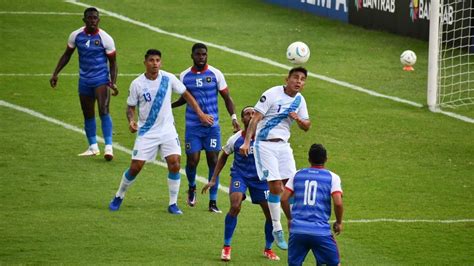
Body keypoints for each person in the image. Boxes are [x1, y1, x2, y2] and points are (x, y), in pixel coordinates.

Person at [108, 49, 213, 214]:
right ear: (145, 62)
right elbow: (130, 107)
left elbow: (186, 94)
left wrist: (200, 114)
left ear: (160, 63)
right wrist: (131, 121)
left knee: (175, 163)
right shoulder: (137, 84)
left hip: (167, 130)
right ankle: (119, 196)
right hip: (147, 132)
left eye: (157, 60)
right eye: (151, 60)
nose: (155, 63)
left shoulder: (168, 78)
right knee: (135, 167)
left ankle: (173, 204)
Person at [240, 67, 311, 250]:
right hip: (264, 145)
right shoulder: (271, 93)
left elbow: (306, 125)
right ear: (287, 78)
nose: (298, 81)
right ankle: (277, 228)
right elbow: (255, 119)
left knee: (290, 187)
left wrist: (300, 120)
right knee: (276, 186)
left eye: (302, 79)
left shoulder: (299, 100)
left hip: (283, 146)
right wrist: (247, 142)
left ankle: (292, 221)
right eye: (295, 77)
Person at [202, 106, 280, 262]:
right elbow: (223, 155)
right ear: (243, 119)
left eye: (253, 113)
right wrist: (213, 179)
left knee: (271, 215)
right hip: (240, 175)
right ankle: (226, 247)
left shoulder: (267, 137)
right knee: (235, 205)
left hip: (261, 179)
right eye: (247, 114)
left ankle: (268, 249)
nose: (251, 116)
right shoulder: (235, 139)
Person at [172, 43, 240, 213]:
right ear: (192, 56)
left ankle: (213, 201)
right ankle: (192, 187)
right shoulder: (185, 75)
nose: (201, 57)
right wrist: (169, 105)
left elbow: (227, 97)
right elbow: (184, 99)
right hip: (193, 126)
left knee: (213, 161)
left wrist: (233, 117)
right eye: (198, 54)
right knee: (193, 160)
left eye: (204, 54)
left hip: (212, 127)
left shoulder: (216, 74)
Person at [50, 7, 118, 160]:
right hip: (85, 81)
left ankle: (109, 147)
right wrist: (56, 73)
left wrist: (112, 83)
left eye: (95, 18)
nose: (92, 20)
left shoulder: (105, 38)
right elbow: (67, 55)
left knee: (103, 110)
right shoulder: (76, 36)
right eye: (89, 18)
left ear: (98, 20)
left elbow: (113, 63)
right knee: (88, 114)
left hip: (101, 80)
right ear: (84, 20)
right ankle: (93, 147)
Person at [281, 144, 343, 266]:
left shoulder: (297, 175)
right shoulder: (332, 177)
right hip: (321, 232)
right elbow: (338, 202)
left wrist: (289, 218)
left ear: (309, 159)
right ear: (326, 159)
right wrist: (339, 222)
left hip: (298, 230)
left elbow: (284, 199)